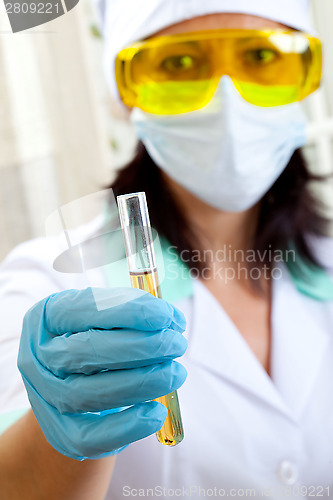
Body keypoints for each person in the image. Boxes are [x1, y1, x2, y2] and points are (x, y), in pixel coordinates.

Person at [0, 1, 333, 498]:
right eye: (179, 64)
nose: (227, 98)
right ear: (125, 93)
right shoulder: (51, 283)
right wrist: (59, 432)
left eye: (260, 57)